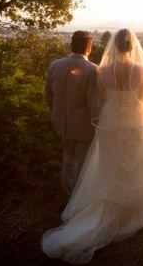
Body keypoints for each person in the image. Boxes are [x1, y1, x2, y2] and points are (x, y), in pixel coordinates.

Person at [41, 28, 143, 264]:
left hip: (110, 122)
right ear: (132, 47)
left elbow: (99, 99)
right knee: (133, 161)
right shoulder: (140, 70)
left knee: (109, 163)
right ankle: (130, 206)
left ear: (114, 46)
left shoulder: (102, 70)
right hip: (133, 121)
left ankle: (100, 201)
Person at [44, 30, 99, 194]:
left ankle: (67, 189)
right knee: (83, 160)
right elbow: (93, 103)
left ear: (71, 45)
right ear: (89, 47)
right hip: (83, 125)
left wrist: (56, 113)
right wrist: (98, 123)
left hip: (61, 122)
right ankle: (78, 194)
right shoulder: (92, 70)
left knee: (68, 156)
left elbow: (48, 95)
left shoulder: (55, 65)